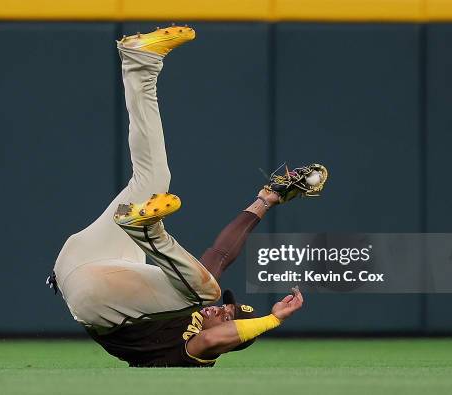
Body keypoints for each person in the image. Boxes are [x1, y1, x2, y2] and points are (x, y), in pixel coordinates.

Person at [48, 25, 328, 367]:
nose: (220, 311)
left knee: (203, 289)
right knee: (155, 180)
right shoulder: (188, 299)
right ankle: (140, 64)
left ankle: (150, 231)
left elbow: (213, 337)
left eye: (227, 316)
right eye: (229, 309)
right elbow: (220, 255)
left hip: (97, 304)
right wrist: (265, 200)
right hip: (86, 260)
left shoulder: (196, 350)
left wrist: (273, 320)